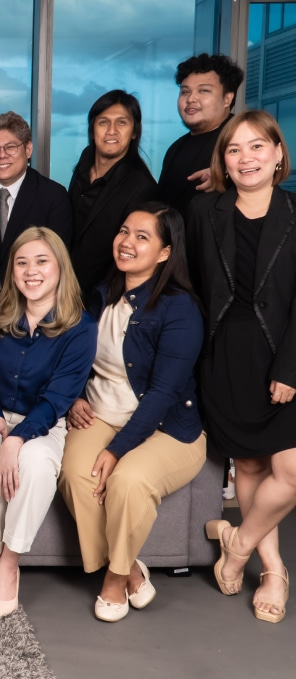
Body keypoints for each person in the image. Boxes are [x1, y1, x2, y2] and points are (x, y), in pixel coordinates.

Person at [58, 203, 206, 622]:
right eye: (124, 231)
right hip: (100, 413)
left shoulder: (179, 308)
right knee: (73, 475)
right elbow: (75, 357)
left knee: (125, 480)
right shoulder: (101, 293)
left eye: (142, 236)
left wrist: (117, 449)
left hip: (167, 428)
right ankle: (129, 571)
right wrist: (74, 396)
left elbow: (162, 392)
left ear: (164, 252)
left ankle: (114, 577)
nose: (127, 242)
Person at [189, 110, 296, 624]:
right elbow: (188, 284)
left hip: (285, 353)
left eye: (258, 146)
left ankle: (237, 546)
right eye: (234, 149)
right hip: (226, 355)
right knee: (250, 465)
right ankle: (273, 569)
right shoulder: (204, 213)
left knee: (291, 472)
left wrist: (291, 368)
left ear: (278, 154)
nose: (246, 157)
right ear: (224, 162)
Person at [0, 227, 95, 619]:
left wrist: (16, 439)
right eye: (21, 262)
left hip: (44, 421)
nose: (30, 271)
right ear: (12, 270)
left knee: (34, 464)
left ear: (59, 268)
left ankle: (8, 563)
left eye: (41, 261)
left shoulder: (81, 327)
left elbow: (58, 397)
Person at [0, 111, 72, 313]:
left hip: (30, 304)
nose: (2, 155)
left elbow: (58, 257)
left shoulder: (53, 196)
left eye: (11, 147)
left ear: (28, 149)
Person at [68, 90, 158, 297]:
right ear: (93, 130)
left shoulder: (142, 187)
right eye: (103, 122)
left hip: (105, 295)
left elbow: (133, 253)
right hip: (66, 288)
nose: (111, 131)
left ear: (134, 131)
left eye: (122, 123)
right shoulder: (84, 162)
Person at [157, 53, 244, 218]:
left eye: (203, 91)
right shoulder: (175, 148)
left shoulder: (243, 136)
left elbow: (271, 173)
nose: (191, 99)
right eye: (184, 92)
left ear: (227, 98)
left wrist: (226, 175)